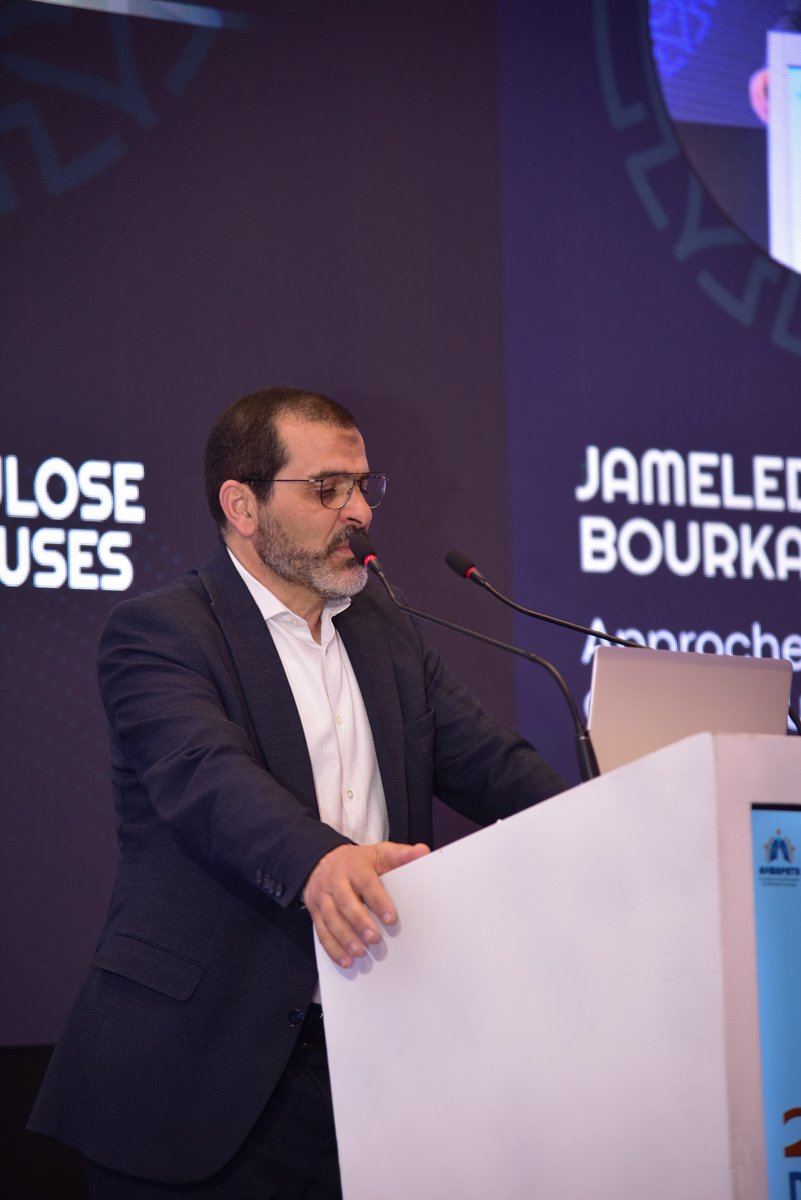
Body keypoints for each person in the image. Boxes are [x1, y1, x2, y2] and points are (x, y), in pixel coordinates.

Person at [29, 386, 568, 1198]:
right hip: (201, 1073)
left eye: (363, 486)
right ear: (242, 506)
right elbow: (208, 779)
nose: (359, 512)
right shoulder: (163, 633)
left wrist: (627, 815)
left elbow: (494, 766)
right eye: (327, 488)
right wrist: (322, 861)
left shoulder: (385, 630)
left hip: (377, 1067)